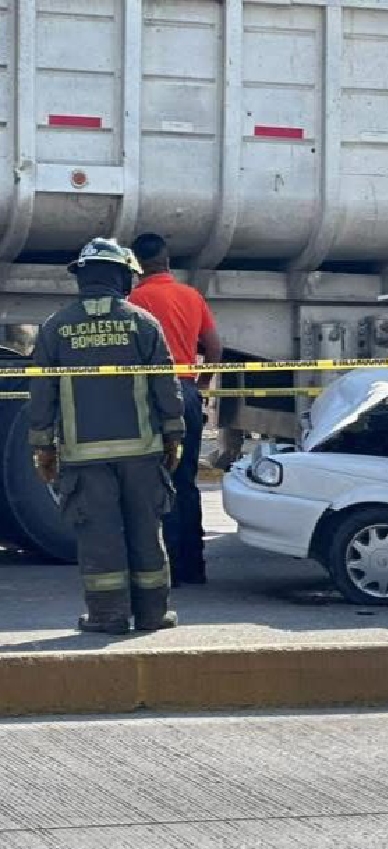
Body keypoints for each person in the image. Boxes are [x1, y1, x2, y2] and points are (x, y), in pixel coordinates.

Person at [29, 238, 185, 634]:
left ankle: (108, 616)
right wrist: (173, 435)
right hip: (142, 454)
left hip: (84, 459)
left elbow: (42, 393)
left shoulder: (56, 327)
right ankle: (152, 615)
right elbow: (166, 387)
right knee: (146, 533)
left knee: (100, 537)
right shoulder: (142, 323)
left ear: (82, 278)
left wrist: (42, 448)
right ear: (124, 277)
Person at [129, 232, 223, 587]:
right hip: (186, 391)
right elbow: (214, 347)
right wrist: (200, 386)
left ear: (137, 266)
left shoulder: (135, 300)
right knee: (186, 481)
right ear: (167, 261)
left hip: (152, 397)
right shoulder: (191, 296)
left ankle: (166, 569)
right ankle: (194, 567)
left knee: (158, 480)